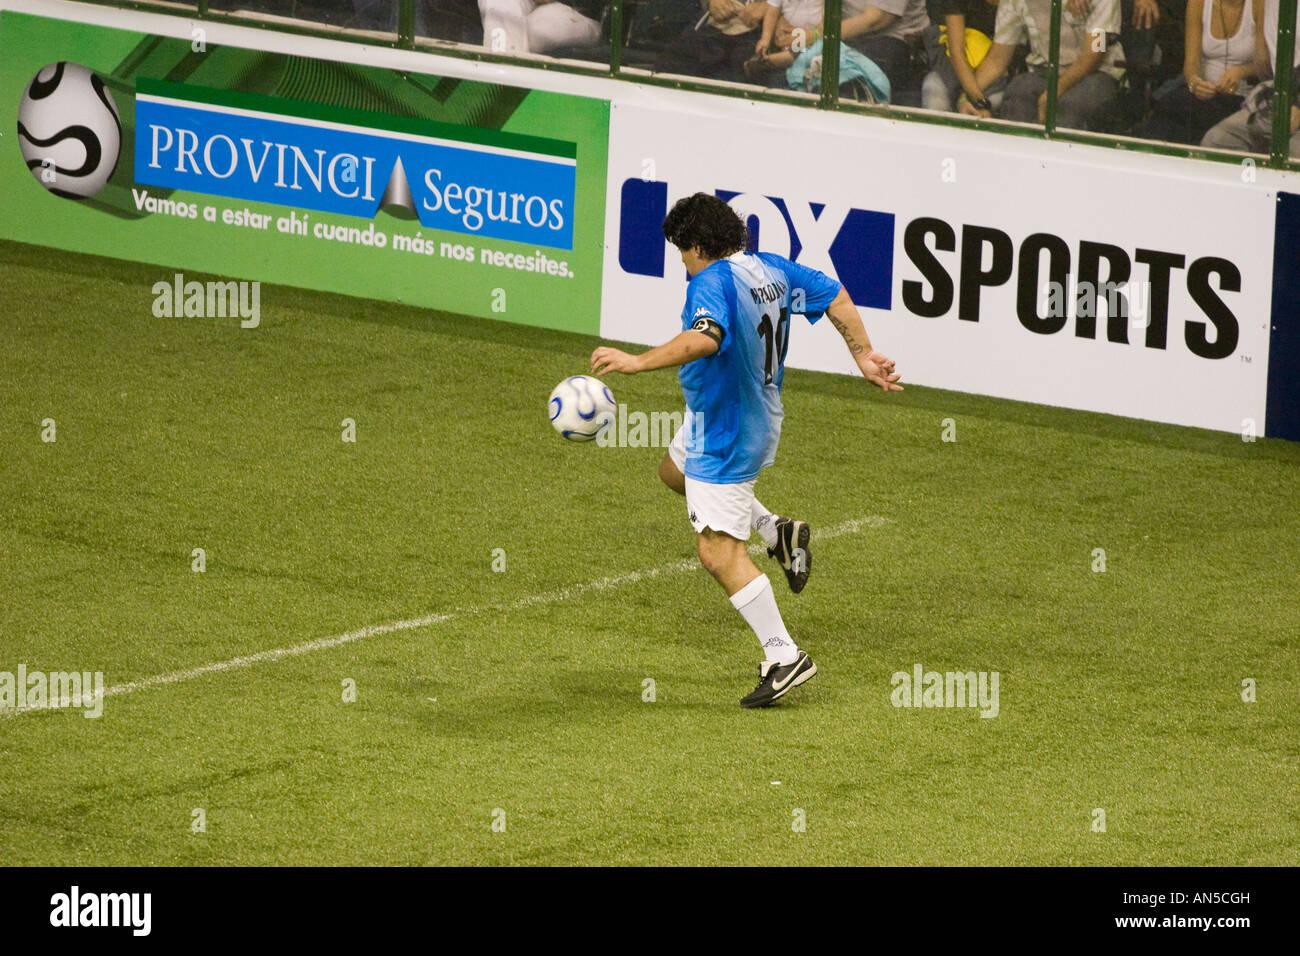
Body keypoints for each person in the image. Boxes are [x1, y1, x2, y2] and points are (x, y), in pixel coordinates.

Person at [588, 194, 903, 708]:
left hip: (729, 431)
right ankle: (775, 531)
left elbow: (706, 337)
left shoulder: (710, 282)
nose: (683, 267)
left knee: (717, 551)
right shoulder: (771, 269)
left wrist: (637, 362)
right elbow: (834, 294)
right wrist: (864, 355)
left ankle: (783, 655)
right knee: (672, 473)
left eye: (682, 254)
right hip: (727, 415)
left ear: (697, 245)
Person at [960, 0, 1125, 130]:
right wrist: (968, 97)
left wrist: (1055, 90)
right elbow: (997, 59)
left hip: (1098, 74)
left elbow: (1095, 53)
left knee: (1066, 112)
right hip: (1044, 73)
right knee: (1017, 95)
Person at [1138, 0, 1264, 143]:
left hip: (1240, 96)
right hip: (1203, 94)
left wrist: (1242, 71)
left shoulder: (1259, 5)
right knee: (1169, 109)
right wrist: (1195, 83)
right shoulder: (1198, 3)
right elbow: (1191, 63)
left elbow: (1265, 65)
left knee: (1179, 112)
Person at [1201, 0, 1300, 154]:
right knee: (1217, 140)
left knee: (1293, 154)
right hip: (1279, 96)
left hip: (1294, 101)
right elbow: (1266, 66)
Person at [921, 0, 1005, 112]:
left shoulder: (1016, 4)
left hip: (995, 78)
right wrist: (974, 97)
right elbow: (956, 51)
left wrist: (974, 100)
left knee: (996, 101)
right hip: (953, 69)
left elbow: (998, 60)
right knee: (933, 92)